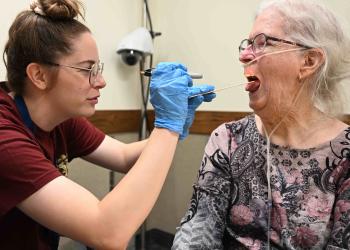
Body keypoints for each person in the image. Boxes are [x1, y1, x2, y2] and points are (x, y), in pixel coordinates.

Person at [0, 0, 215, 249]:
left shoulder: (60, 119)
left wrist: (172, 129)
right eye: (87, 69)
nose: (101, 82)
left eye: (98, 69)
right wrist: (167, 129)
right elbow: (107, 233)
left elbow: (123, 157)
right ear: (39, 75)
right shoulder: (5, 139)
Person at [172, 0, 350, 249]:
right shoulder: (228, 139)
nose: (244, 56)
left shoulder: (345, 154)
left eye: (262, 42)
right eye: (247, 44)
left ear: (309, 61)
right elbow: (198, 229)